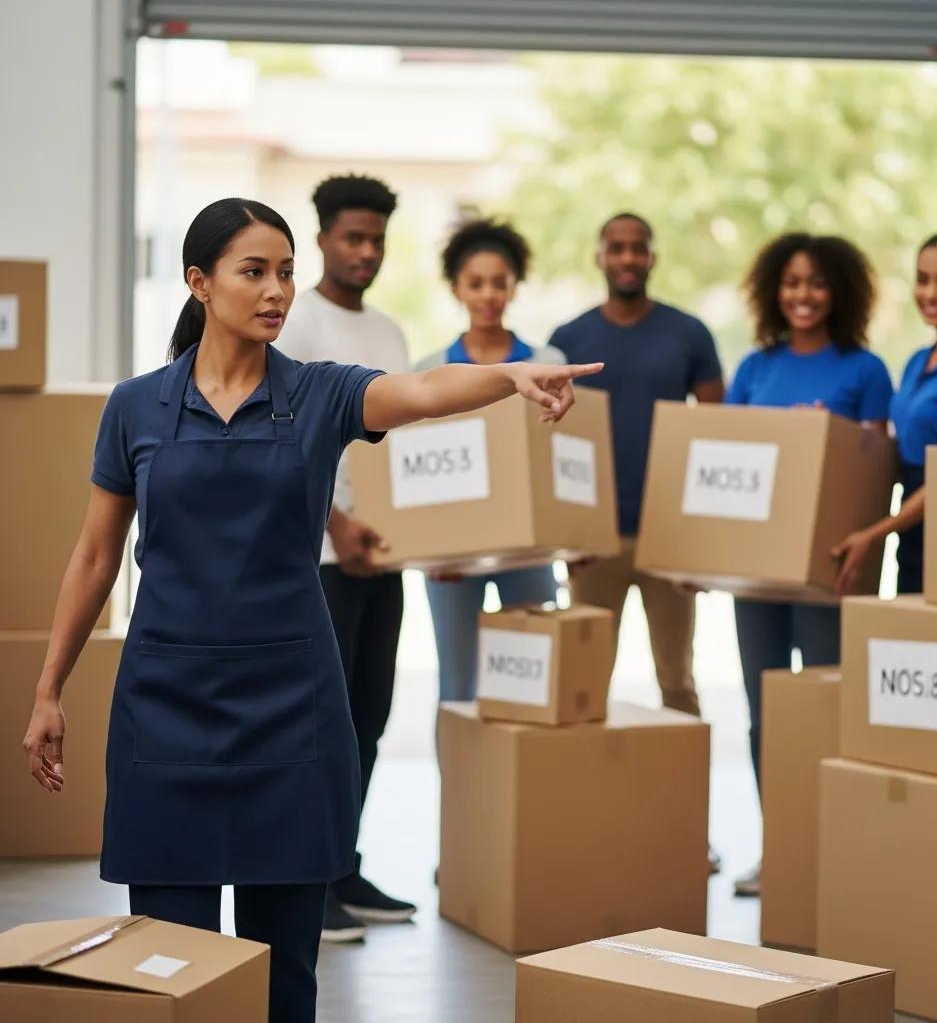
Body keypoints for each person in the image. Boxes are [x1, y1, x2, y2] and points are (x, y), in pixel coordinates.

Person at [20, 197, 602, 1023]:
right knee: (169, 969)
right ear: (199, 283)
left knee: (284, 976)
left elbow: (424, 388)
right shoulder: (135, 407)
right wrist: (49, 688)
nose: (277, 291)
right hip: (165, 711)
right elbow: (92, 557)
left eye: (287, 273)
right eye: (254, 271)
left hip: (291, 713)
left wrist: (508, 378)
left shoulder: (323, 394)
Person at [726, 232, 893, 897]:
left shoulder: (865, 371)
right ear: (774, 291)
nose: (804, 295)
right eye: (792, 282)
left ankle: (831, 853)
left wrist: (823, 435)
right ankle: (780, 852)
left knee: (827, 712)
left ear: (840, 292)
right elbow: (726, 463)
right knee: (764, 715)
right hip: (757, 577)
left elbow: (874, 469)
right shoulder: (754, 369)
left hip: (828, 573)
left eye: (817, 283)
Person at [275, 173, 413, 943]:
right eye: (353, 238)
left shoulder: (390, 333)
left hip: (385, 558)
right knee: (317, 727)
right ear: (323, 238)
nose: (366, 252)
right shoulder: (296, 324)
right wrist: (337, 523)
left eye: (377, 240)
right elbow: (280, 443)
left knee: (368, 720)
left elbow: (401, 445)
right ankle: (308, 883)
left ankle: (342, 866)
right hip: (322, 560)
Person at [548, 212, 724, 721]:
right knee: (584, 683)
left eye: (638, 248)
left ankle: (684, 772)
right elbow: (552, 441)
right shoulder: (568, 339)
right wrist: (566, 535)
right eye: (617, 248)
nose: (628, 258)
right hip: (594, 541)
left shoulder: (689, 333)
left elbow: (716, 435)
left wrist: (703, 540)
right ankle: (587, 775)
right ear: (600, 257)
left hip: (668, 537)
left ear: (652, 257)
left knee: (677, 680)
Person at [417, 218, 566, 706]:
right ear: (457, 288)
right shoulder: (431, 370)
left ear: (514, 287)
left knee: (531, 686)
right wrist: (431, 549)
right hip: (454, 557)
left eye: (499, 283)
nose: (488, 295)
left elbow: (561, 455)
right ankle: (458, 764)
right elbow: (417, 469)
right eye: (475, 283)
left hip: (530, 550)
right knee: (457, 687)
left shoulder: (547, 361)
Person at [833, 231, 937, 597]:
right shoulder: (917, 361)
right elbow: (896, 453)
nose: (930, 293)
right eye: (922, 279)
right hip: (912, 523)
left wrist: (875, 534)